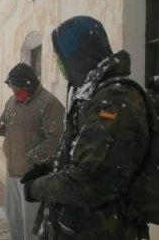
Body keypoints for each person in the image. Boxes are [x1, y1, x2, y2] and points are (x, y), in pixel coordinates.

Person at [21, 16, 149, 239]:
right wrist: (52, 167)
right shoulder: (92, 94)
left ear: (77, 56)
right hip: (79, 227)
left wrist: (37, 188)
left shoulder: (113, 100)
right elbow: (84, 155)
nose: (58, 63)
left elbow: (91, 181)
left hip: (103, 230)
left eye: (60, 56)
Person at [0, 63, 64, 240]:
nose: (14, 93)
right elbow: (7, 127)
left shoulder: (49, 103)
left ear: (29, 86)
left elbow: (56, 139)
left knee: (32, 228)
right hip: (12, 172)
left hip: (33, 176)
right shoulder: (12, 102)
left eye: (17, 89)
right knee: (14, 221)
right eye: (12, 89)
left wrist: (31, 157)